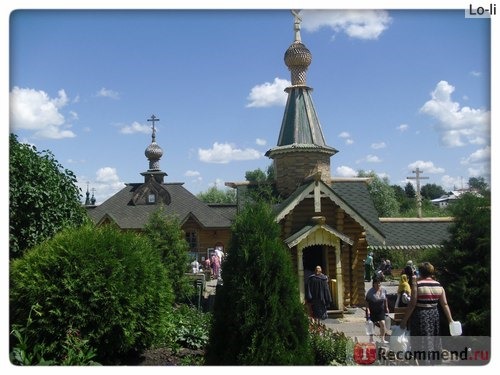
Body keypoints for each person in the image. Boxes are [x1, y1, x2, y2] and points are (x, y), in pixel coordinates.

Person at [400, 262, 454, 365]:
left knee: (421, 343)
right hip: (434, 315)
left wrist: (404, 321)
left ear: (420, 272)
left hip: (420, 316)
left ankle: (423, 363)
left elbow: (412, 304)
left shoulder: (418, 285)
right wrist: (450, 320)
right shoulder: (439, 285)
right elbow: (445, 304)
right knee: (433, 341)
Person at [365, 275, 390, 343]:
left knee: (383, 323)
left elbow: (385, 299)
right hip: (372, 309)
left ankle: (382, 339)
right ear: (373, 284)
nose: (378, 284)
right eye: (376, 283)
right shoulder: (370, 292)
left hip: (380, 309)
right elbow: (366, 302)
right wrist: (368, 310)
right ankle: (371, 339)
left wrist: (387, 307)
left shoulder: (384, 290)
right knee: (371, 325)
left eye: (379, 283)